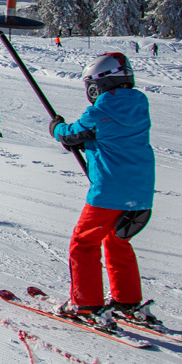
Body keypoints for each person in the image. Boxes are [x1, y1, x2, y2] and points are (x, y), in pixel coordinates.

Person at [48, 53, 158, 329]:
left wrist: (56, 126)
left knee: (83, 243)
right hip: (141, 194)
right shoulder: (139, 104)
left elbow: (70, 133)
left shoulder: (101, 108)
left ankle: (86, 305)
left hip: (109, 193)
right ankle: (127, 301)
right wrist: (89, 140)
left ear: (98, 85)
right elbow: (110, 136)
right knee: (117, 241)